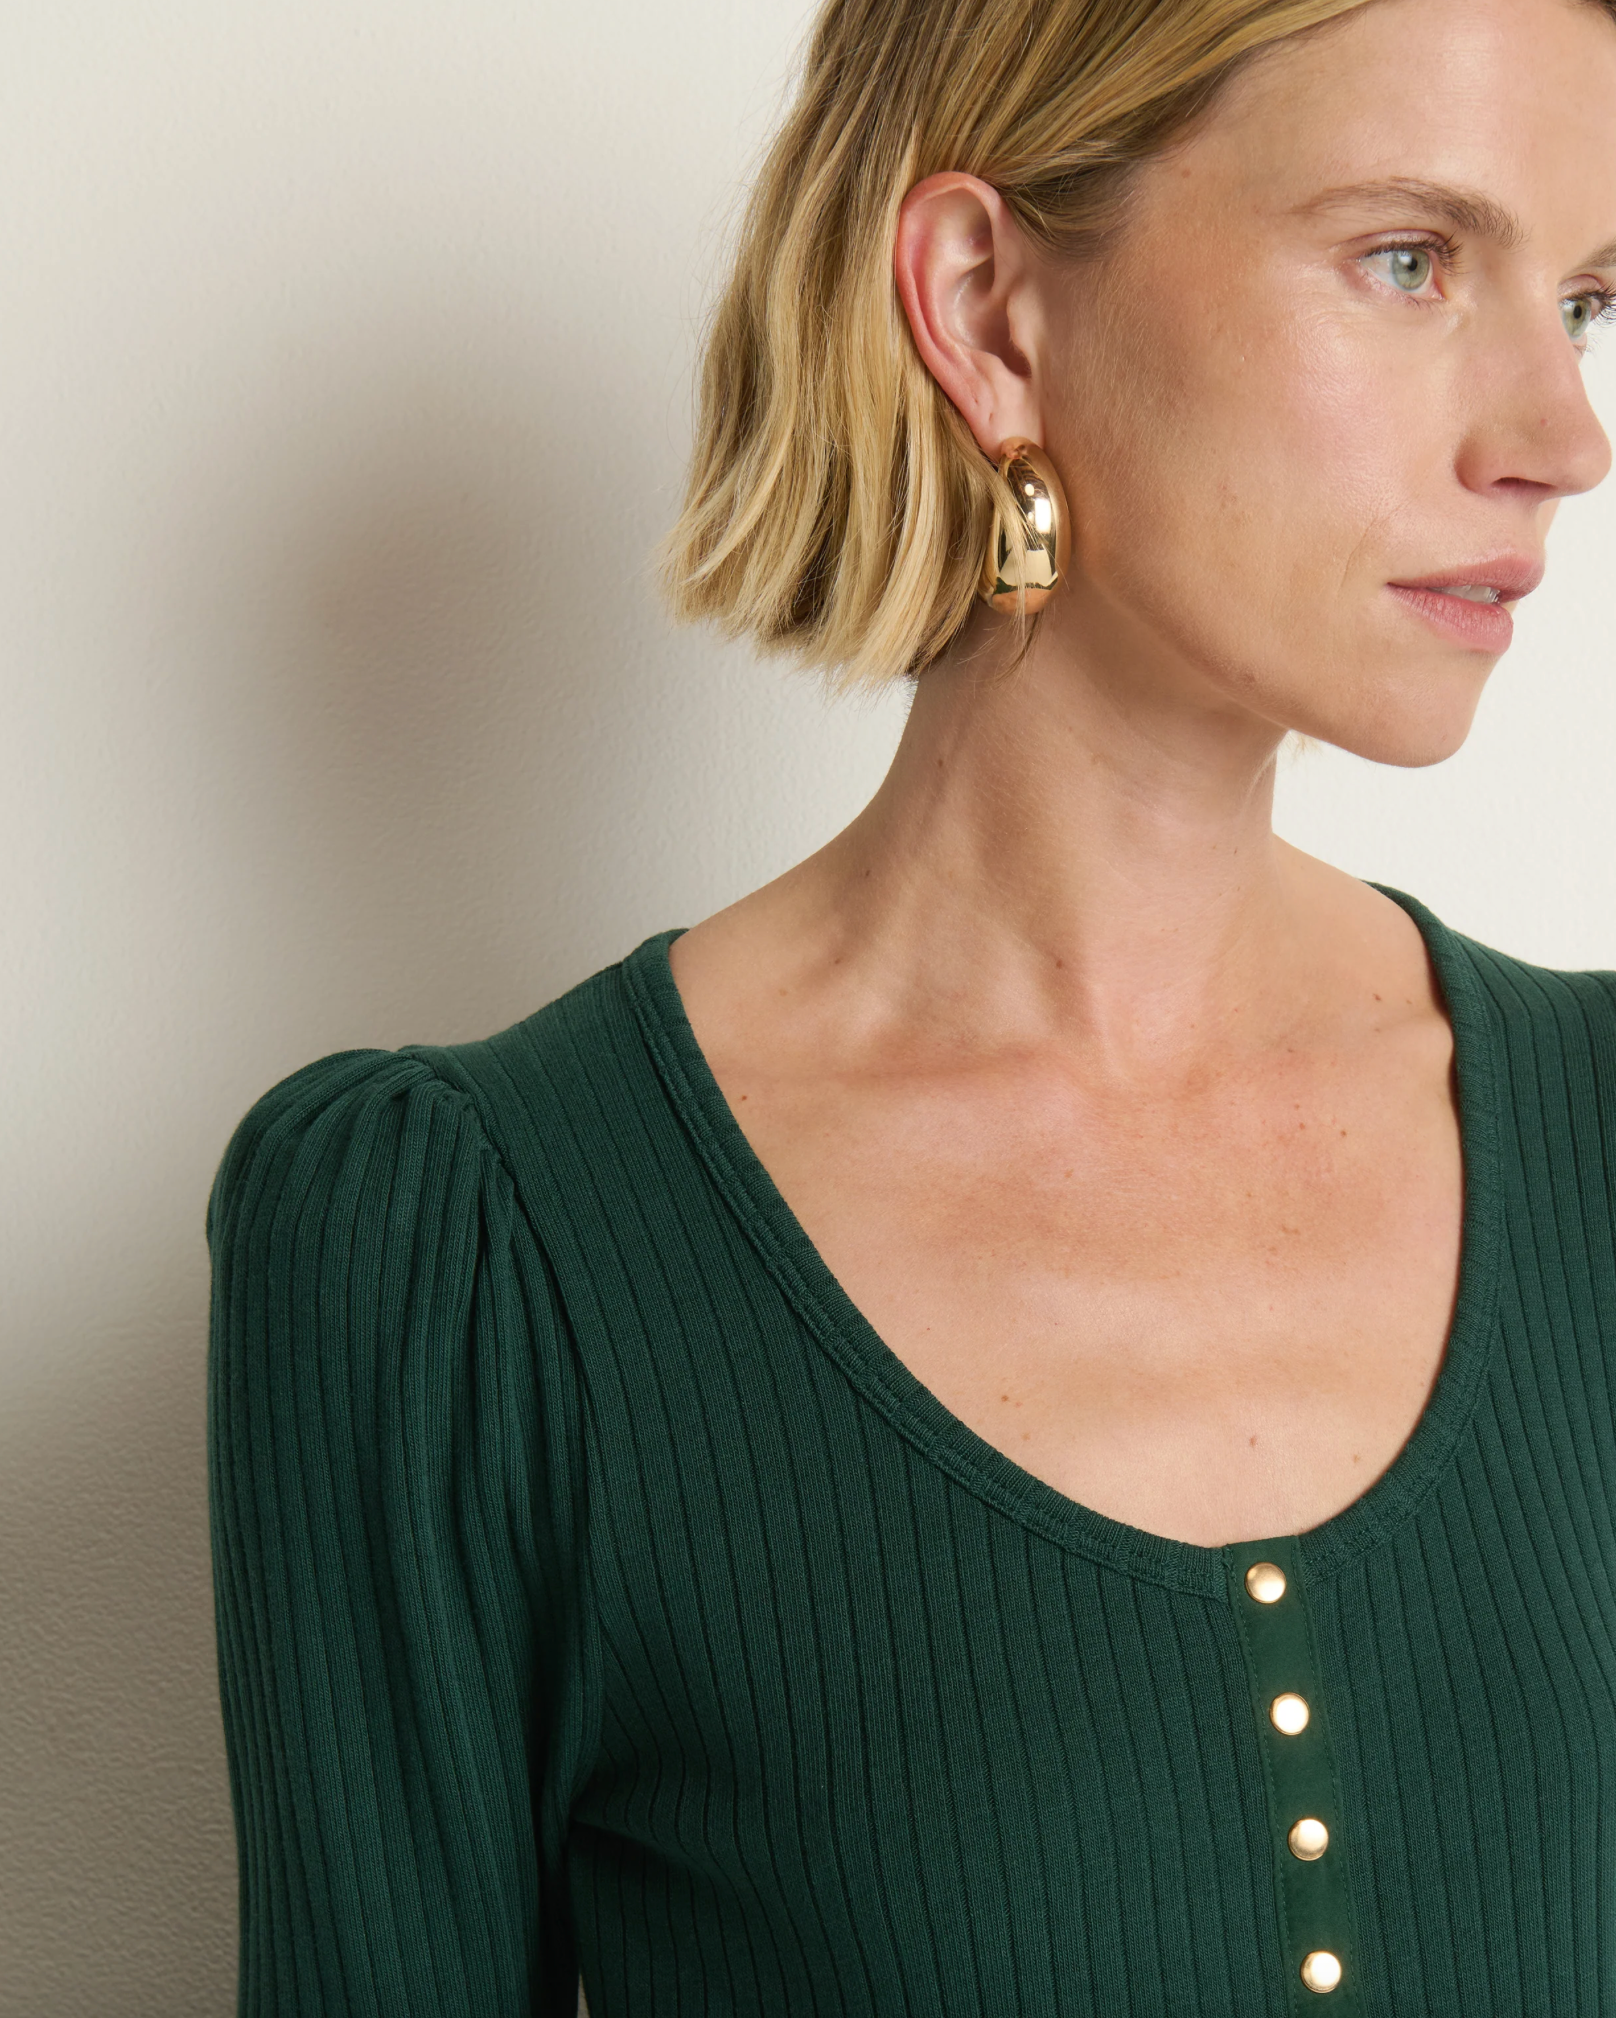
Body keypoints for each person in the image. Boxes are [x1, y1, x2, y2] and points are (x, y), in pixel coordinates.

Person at [206, 0, 1616, 2008]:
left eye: (1583, 302)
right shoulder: (469, 1250)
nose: (1561, 437)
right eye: (1409, 260)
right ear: (984, 307)